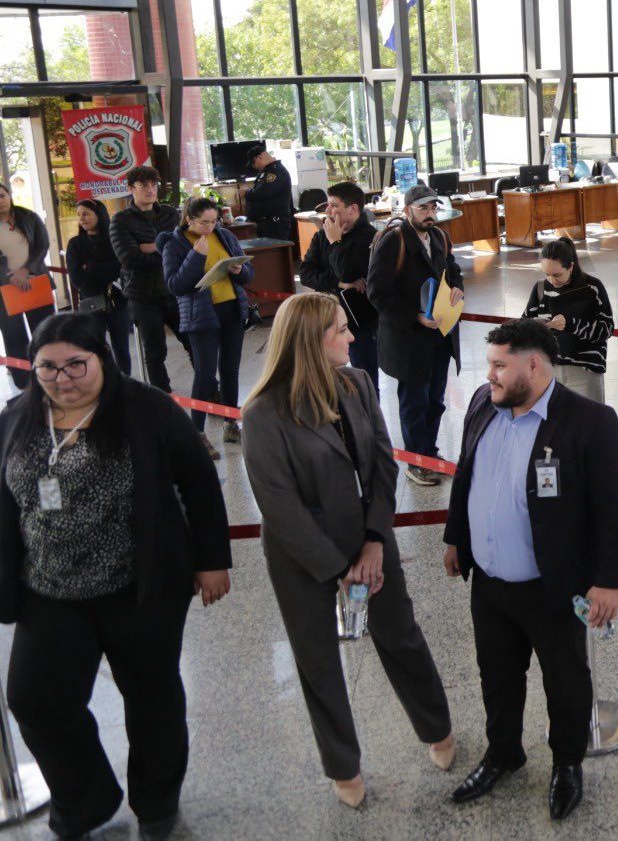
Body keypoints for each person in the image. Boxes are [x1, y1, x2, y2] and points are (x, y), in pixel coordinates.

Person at [0, 311, 231, 840]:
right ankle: (86, 801)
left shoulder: (146, 410)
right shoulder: (17, 417)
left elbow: (198, 481)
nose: (63, 379)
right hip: (49, 590)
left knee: (151, 698)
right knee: (36, 700)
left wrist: (212, 560)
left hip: (139, 587)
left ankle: (156, 804)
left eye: (76, 365)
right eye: (48, 368)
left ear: (101, 357)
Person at [241, 293, 454, 809]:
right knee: (317, 660)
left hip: (367, 537)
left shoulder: (356, 384)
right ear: (313, 341)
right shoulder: (264, 412)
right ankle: (343, 764)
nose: (352, 336)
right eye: (341, 329)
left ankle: (436, 727)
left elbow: (382, 466)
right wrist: (340, 570)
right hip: (302, 554)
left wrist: (375, 542)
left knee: (400, 636)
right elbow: (280, 507)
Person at [441, 318, 618, 821]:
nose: (490, 376)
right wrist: (455, 538)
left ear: (534, 365)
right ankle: (503, 752)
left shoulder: (590, 422)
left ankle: (567, 765)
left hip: (552, 586)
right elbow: (466, 476)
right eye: (489, 365)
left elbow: (615, 509)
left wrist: (609, 580)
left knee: (565, 683)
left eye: (499, 366)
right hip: (489, 585)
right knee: (497, 677)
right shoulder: (485, 405)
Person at [367, 185, 464, 486]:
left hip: (439, 335)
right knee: (414, 402)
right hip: (409, 338)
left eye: (433, 208)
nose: (430, 214)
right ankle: (415, 460)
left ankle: (429, 452)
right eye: (423, 208)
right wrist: (415, 316)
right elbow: (377, 292)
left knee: (435, 400)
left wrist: (458, 286)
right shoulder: (394, 241)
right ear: (408, 210)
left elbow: (453, 269)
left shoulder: (439, 237)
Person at [159, 198, 253, 461]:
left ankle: (230, 424)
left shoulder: (224, 235)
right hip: (201, 316)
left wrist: (239, 269)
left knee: (231, 370)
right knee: (205, 375)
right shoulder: (174, 244)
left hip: (232, 309)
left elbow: (248, 275)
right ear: (189, 219)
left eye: (214, 221)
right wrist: (196, 255)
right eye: (204, 222)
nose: (210, 227)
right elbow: (176, 285)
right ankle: (197, 433)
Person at [109, 166, 190, 394]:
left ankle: (210, 393)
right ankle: (162, 398)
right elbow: (130, 259)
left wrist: (150, 247)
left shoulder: (169, 214)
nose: (150, 189)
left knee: (194, 344)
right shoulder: (120, 221)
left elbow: (182, 249)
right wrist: (165, 249)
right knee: (155, 353)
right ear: (131, 188)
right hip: (143, 297)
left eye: (153, 184)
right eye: (144, 185)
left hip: (174, 291)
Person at [299, 181, 381, 392]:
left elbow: (349, 272)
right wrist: (337, 282)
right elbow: (306, 274)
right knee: (329, 381)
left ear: (353, 209)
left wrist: (336, 243)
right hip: (328, 318)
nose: (327, 211)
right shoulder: (322, 235)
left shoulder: (371, 238)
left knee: (365, 382)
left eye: (334, 205)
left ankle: (369, 423)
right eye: (328, 205)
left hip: (360, 322)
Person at [522, 237, 614, 402]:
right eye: (547, 274)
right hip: (548, 372)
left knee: (588, 425)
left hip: (585, 371)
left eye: (557, 274)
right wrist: (537, 326)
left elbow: (606, 329)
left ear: (571, 266)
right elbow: (524, 325)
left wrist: (571, 324)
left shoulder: (592, 288)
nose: (552, 280)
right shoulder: (540, 288)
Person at [67, 198, 133, 374]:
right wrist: (107, 270)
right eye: (79, 214)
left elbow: (122, 267)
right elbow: (77, 278)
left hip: (117, 299)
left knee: (122, 346)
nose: (82, 218)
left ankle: (124, 382)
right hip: (90, 300)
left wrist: (92, 267)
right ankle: (106, 380)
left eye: (86, 214)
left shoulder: (115, 239)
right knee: (96, 346)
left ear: (99, 215)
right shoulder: (75, 244)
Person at [0, 185, 55, 390]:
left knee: (44, 331)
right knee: (14, 337)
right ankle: (24, 384)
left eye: (2, 195)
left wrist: (26, 270)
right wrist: (11, 276)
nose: (0, 200)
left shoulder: (28, 216)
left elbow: (43, 245)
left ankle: (50, 376)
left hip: (35, 281)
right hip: (4, 288)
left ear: (9, 195)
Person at [242, 143, 295, 243]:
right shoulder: (267, 171)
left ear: (259, 158)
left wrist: (246, 193)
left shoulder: (276, 171)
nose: (254, 167)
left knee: (274, 255)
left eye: (253, 163)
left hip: (275, 224)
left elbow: (263, 192)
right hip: (266, 224)